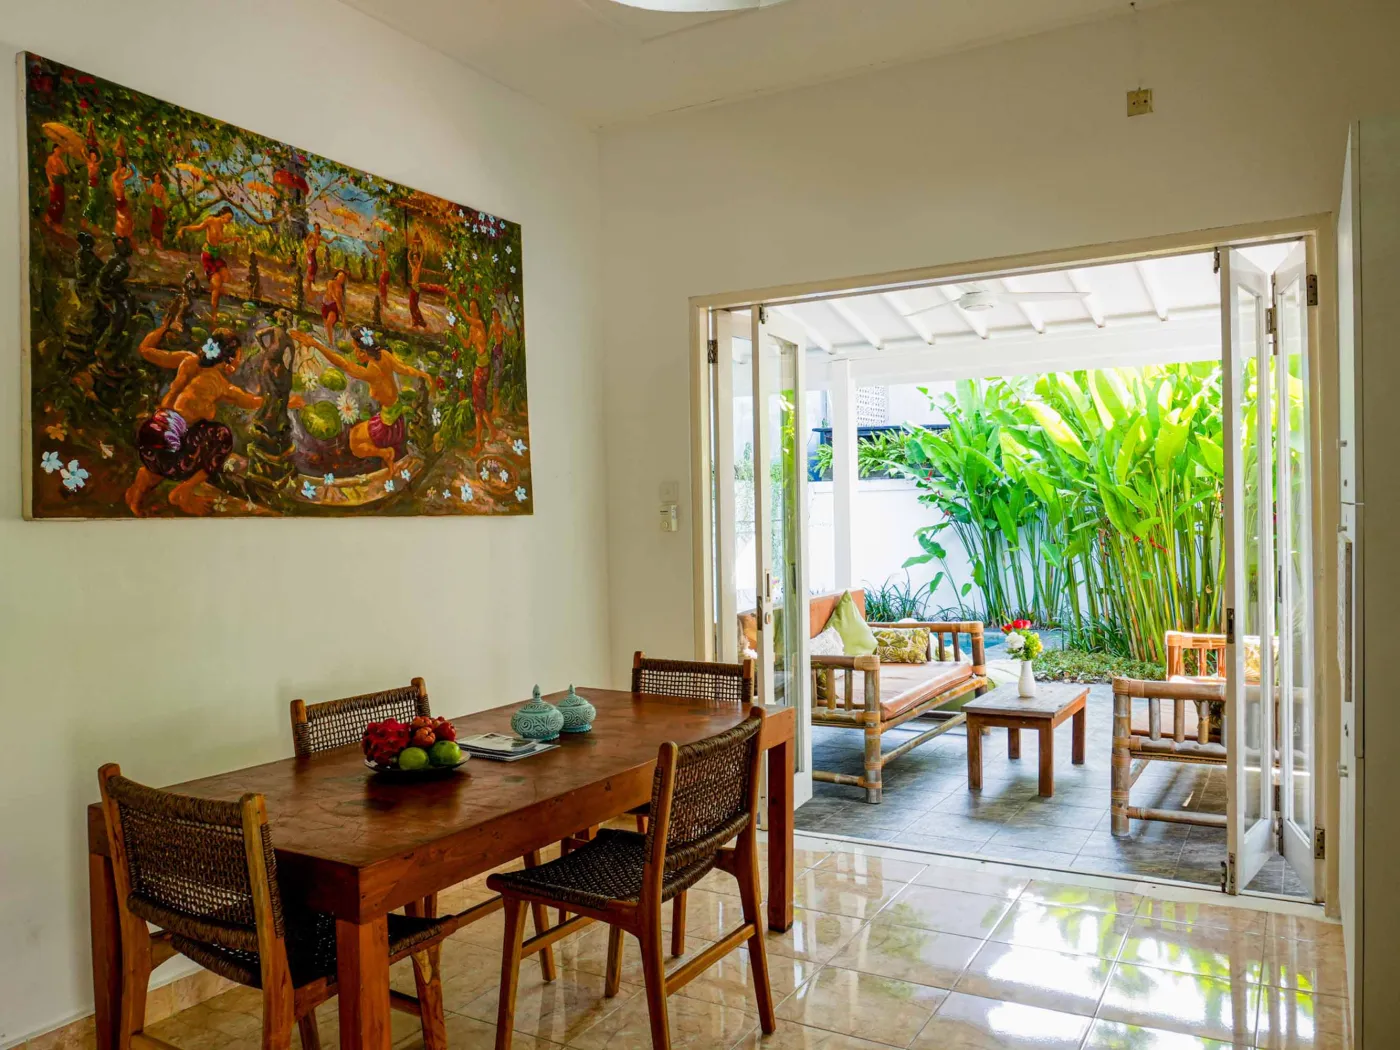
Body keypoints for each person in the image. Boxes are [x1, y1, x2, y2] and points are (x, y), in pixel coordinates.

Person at [124, 309, 263, 516]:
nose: (238, 363)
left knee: (155, 466)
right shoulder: (220, 384)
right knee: (220, 436)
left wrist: (163, 328)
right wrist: (284, 399)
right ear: (229, 359)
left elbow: (145, 349)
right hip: (174, 450)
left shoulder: (186, 360)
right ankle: (183, 492)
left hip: (151, 435)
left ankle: (135, 496)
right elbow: (252, 402)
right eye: (238, 358)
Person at [289, 324, 430, 474]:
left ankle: (386, 453)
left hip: (388, 426)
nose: (354, 352)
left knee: (355, 445)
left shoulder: (371, 372)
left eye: (355, 349)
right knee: (355, 431)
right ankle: (386, 457)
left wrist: (316, 344)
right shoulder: (384, 355)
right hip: (396, 418)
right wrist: (424, 375)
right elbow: (404, 369)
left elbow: (343, 363)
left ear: (363, 352)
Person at [177, 206, 239, 316]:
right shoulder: (211, 220)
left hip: (216, 255)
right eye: (228, 218)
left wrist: (233, 239)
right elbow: (198, 227)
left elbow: (222, 240)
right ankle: (214, 313)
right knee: (217, 282)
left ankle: (209, 290)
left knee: (226, 277)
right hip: (208, 254)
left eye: (230, 219)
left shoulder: (222, 226)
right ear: (222, 214)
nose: (229, 221)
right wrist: (184, 228)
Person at [44, 143, 69, 232]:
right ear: (54, 149)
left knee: (61, 202)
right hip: (53, 182)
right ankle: (50, 219)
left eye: (60, 150)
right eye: (58, 149)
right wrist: (51, 183)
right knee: (54, 201)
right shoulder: (50, 159)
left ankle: (57, 222)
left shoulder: (59, 159)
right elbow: (48, 171)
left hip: (60, 182)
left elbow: (65, 172)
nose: (59, 151)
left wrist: (63, 165)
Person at [303, 223, 334, 295]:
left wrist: (333, 238)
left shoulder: (320, 237)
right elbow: (306, 241)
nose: (316, 229)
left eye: (317, 228)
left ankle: (310, 283)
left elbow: (328, 242)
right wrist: (308, 248)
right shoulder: (311, 234)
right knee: (311, 268)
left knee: (315, 267)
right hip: (310, 253)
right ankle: (308, 286)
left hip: (313, 253)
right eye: (315, 228)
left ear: (319, 229)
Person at [320, 269, 348, 348]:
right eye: (340, 277)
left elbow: (338, 300)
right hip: (325, 305)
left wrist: (342, 313)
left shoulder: (340, 289)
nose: (341, 279)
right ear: (336, 276)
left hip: (333, 306)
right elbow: (332, 294)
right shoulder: (330, 282)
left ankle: (331, 344)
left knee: (329, 323)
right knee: (327, 326)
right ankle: (330, 341)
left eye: (343, 278)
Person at [80, 142, 103, 234]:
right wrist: (82, 150)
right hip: (91, 184)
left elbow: (101, 158)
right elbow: (83, 155)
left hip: (96, 184)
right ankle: (85, 215)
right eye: (92, 156)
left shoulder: (97, 164)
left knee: (96, 202)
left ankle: (93, 221)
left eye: (94, 156)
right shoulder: (89, 163)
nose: (94, 157)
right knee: (92, 201)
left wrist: (99, 150)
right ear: (90, 156)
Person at [111, 159, 134, 244]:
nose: (124, 171)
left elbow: (132, 173)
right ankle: (120, 237)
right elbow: (116, 173)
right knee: (120, 219)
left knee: (128, 219)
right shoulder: (115, 178)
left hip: (123, 200)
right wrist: (119, 166)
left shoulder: (122, 179)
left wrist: (129, 164)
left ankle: (126, 236)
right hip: (118, 200)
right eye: (122, 170)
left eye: (125, 170)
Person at [407, 233, 426, 328]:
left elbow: (422, 255)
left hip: (416, 287)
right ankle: (415, 321)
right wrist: (411, 250)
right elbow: (408, 258)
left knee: (414, 306)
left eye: (416, 259)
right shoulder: (413, 267)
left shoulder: (418, 267)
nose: (414, 260)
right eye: (414, 259)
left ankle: (419, 322)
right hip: (413, 287)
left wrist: (421, 246)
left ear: (418, 259)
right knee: (411, 306)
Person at [147, 178, 167, 249]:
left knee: (161, 222)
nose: (157, 180)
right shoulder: (152, 186)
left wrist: (164, 208)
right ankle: (154, 238)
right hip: (154, 205)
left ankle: (158, 240)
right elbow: (149, 193)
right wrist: (145, 184)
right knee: (154, 221)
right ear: (154, 179)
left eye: (158, 178)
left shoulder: (162, 187)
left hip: (160, 206)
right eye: (156, 178)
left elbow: (164, 198)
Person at [375, 239, 390, 307]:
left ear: (383, 246)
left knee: (382, 286)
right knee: (384, 287)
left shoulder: (381, 252)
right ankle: (385, 301)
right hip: (386, 271)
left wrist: (367, 245)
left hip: (385, 271)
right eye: (379, 245)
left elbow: (373, 251)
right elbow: (382, 259)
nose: (380, 246)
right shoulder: (383, 252)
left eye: (381, 245)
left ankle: (384, 301)